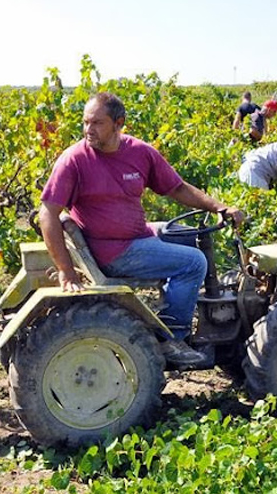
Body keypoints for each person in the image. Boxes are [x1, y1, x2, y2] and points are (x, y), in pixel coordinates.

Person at [39, 92, 245, 368]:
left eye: (97, 123)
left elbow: (177, 188)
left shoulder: (140, 152)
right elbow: (48, 213)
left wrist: (219, 207)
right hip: (112, 250)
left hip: (137, 234)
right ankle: (171, 338)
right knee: (195, 262)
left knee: (187, 235)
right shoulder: (74, 160)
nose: (88, 130)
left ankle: (178, 309)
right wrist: (65, 269)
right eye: (86, 122)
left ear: (118, 123)